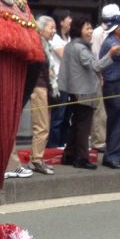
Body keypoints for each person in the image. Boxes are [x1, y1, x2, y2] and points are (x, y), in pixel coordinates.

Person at [58, 17, 120, 169]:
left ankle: (69, 154)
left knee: (77, 124)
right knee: (84, 125)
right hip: (84, 90)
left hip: (74, 89)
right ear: (79, 29)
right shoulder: (81, 48)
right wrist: (110, 54)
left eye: (91, 27)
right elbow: (96, 66)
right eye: (87, 28)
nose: (90, 31)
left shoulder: (71, 45)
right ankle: (81, 158)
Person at [90, 4, 120, 152]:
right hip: (101, 74)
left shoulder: (113, 35)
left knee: (110, 113)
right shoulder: (98, 33)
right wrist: (100, 76)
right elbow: (97, 55)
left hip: (108, 75)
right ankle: (99, 141)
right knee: (100, 112)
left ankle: (110, 143)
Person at [28, 15, 57, 175]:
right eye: (51, 28)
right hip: (38, 87)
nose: (54, 31)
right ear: (41, 27)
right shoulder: (37, 42)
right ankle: (37, 160)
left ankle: (36, 157)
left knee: (44, 124)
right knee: (42, 126)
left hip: (45, 87)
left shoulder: (45, 44)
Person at [99, 13, 120, 169]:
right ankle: (112, 156)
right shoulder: (111, 42)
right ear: (117, 29)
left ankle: (115, 155)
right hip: (114, 85)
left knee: (117, 120)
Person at [48, 9, 73, 147]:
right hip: (58, 80)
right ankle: (53, 144)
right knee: (58, 114)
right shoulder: (55, 39)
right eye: (68, 18)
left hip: (68, 80)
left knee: (66, 115)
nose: (70, 20)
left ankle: (62, 142)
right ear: (61, 21)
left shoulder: (67, 38)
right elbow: (65, 57)